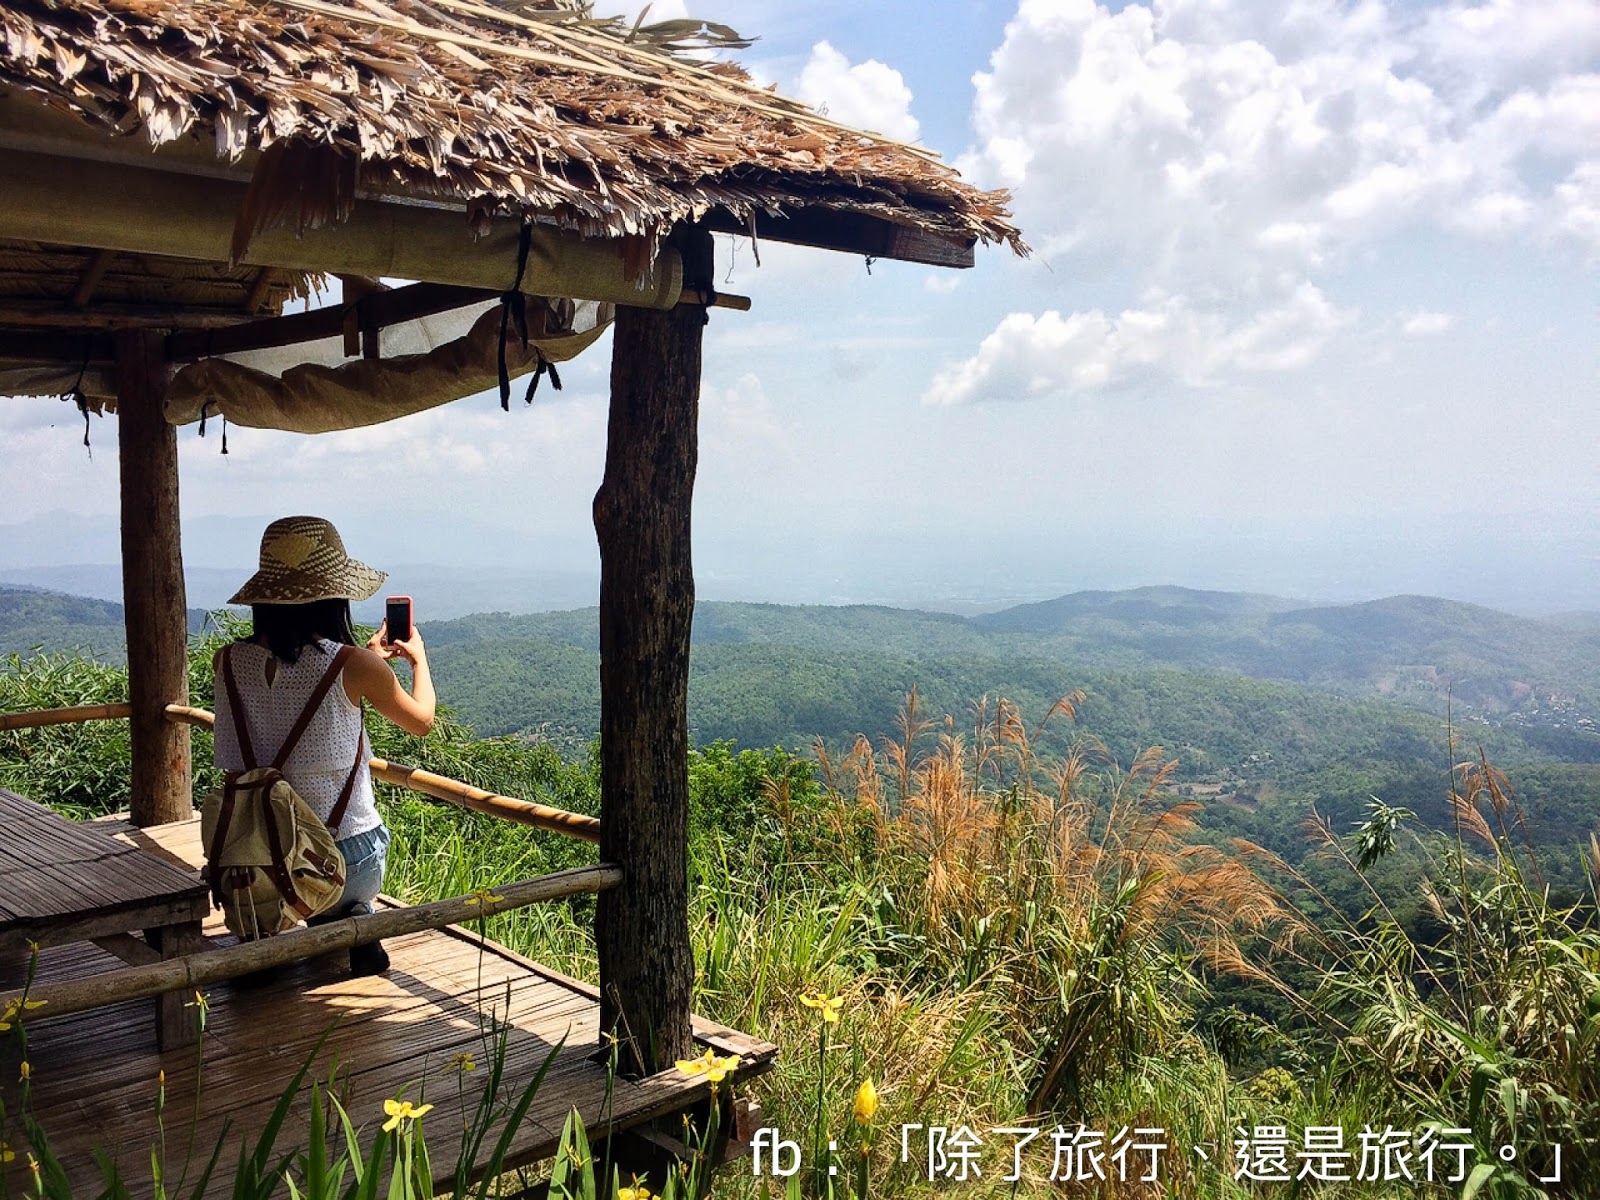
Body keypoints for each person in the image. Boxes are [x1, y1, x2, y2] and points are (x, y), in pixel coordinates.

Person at [212, 515, 435, 976]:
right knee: (355, 862)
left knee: (272, 889)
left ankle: (270, 925)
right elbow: (421, 721)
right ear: (334, 596)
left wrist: (366, 660)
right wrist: (419, 662)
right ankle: (350, 915)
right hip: (342, 860)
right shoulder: (355, 665)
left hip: (257, 858)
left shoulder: (227, 662)